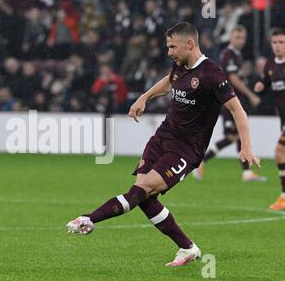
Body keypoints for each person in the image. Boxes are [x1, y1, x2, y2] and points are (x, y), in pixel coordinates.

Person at [66, 22, 261, 267]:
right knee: (144, 197)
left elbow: (237, 110)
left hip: (186, 149)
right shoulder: (179, 65)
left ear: (190, 44)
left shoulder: (211, 73)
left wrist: (246, 146)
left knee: (141, 191)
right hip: (161, 137)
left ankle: (89, 218)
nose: (169, 52)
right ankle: (187, 248)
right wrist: (145, 96)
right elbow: (170, 81)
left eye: (172, 47)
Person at [194, 25, 265, 181]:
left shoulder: (236, 55)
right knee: (232, 136)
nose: (240, 40)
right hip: (228, 101)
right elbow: (233, 79)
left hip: (234, 100)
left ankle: (246, 173)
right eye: (237, 37)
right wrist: (251, 95)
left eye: (243, 38)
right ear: (231, 38)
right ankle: (200, 161)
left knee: (239, 135)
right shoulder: (229, 55)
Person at [254, 28, 285, 210]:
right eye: (275, 42)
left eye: (281, 42)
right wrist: (260, 85)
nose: (278, 46)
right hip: (282, 119)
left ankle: (283, 196)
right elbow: (266, 82)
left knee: (279, 152)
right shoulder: (270, 65)